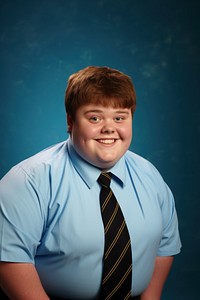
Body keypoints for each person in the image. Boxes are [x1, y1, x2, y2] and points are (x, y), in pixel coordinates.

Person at [0, 66, 181, 300]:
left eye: (119, 117)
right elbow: (10, 261)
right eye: (95, 117)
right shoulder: (28, 180)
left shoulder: (150, 176)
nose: (109, 128)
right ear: (70, 121)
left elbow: (164, 246)